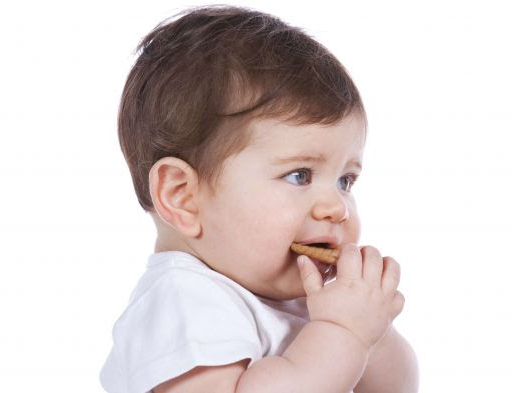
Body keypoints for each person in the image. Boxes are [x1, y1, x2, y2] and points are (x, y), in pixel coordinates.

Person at [100, 5, 419, 393]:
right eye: (299, 175)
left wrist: (373, 331)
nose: (337, 208)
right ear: (182, 197)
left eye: (345, 181)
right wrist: (342, 332)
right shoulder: (183, 302)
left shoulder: (308, 304)